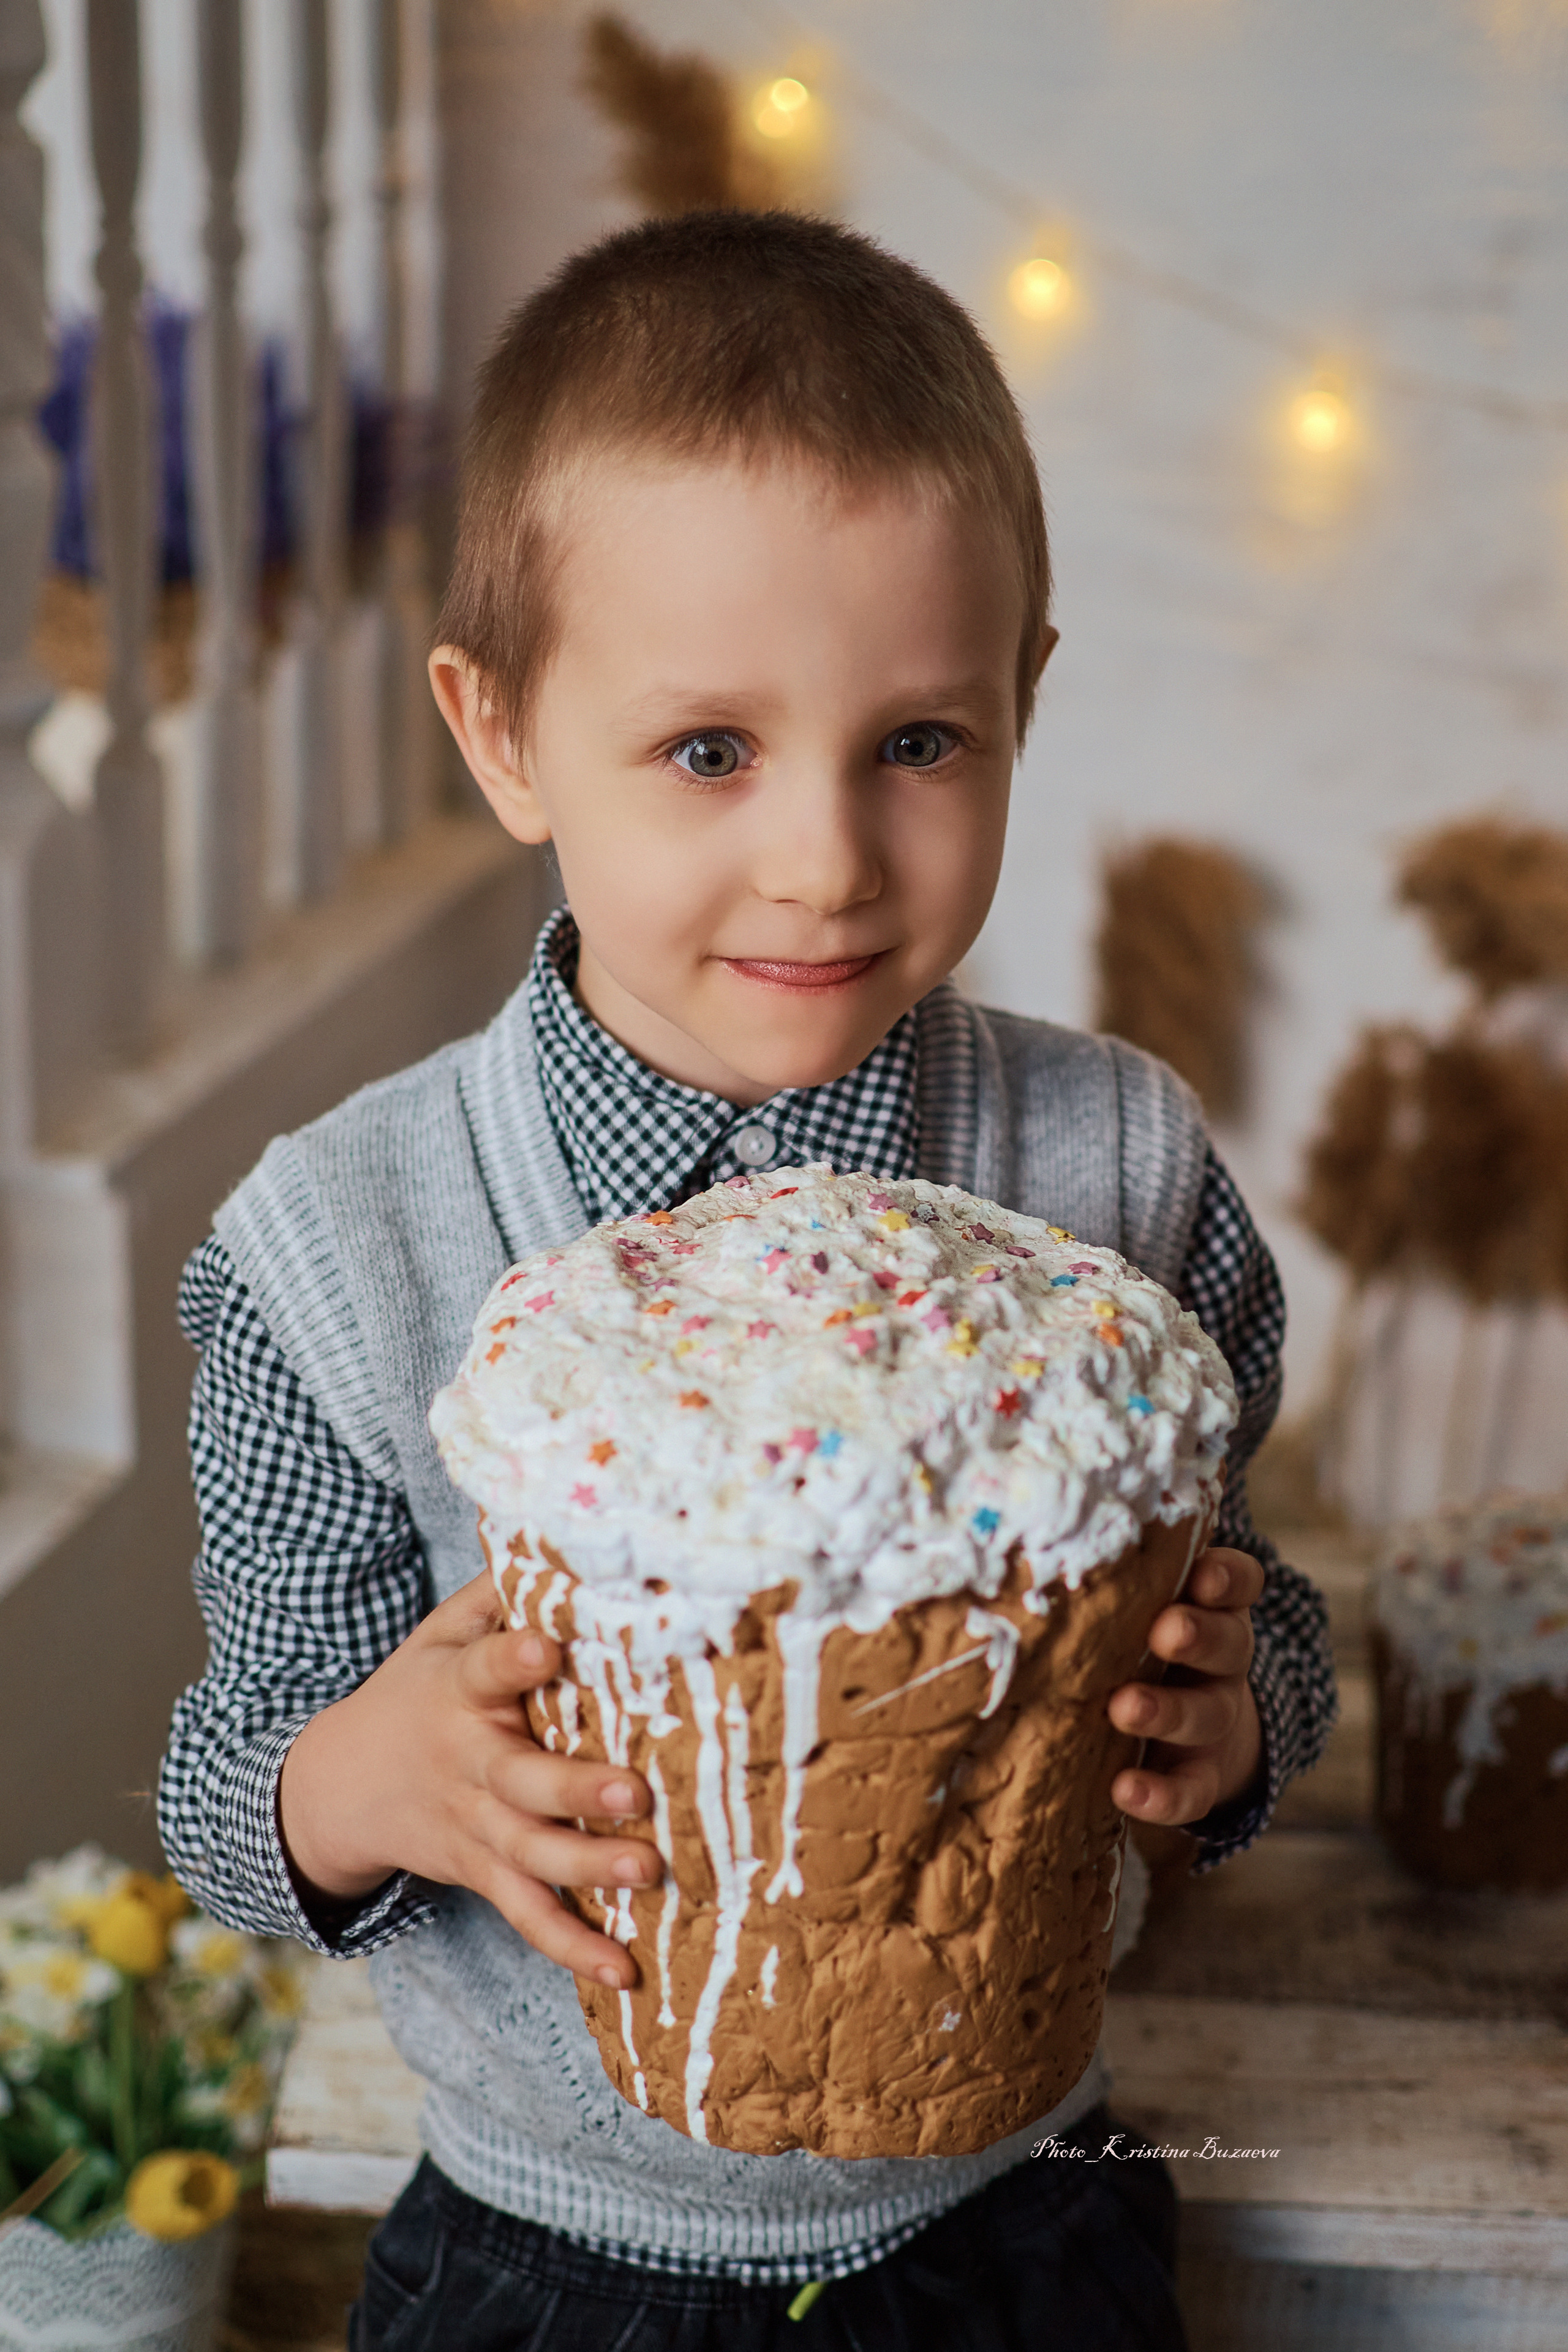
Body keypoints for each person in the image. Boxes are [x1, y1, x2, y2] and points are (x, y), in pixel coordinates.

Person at [160, 211, 1336, 2351]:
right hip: (544, 2257)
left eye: (918, 743)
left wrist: (1240, 1727)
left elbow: (1259, 1607)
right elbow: (231, 1788)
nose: (823, 855)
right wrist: (371, 1782)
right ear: (503, 732)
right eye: (711, 750)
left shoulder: (1126, 1175)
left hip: (1015, 2227)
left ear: (1024, 701)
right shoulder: (334, 1257)